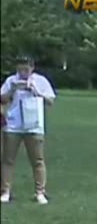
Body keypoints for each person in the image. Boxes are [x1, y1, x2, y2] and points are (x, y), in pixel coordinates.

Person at [0, 55, 57, 204]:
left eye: (25, 69)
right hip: (13, 126)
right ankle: (5, 191)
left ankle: (40, 192)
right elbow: (2, 99)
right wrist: (12, 90)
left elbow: (51, 101)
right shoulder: (11, 81)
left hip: (34, 126)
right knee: (8, 160)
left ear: (32, 68)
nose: (22, 73)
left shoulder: (41, 81)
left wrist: (36, 91)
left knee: (38, 160)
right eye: (20, 69)